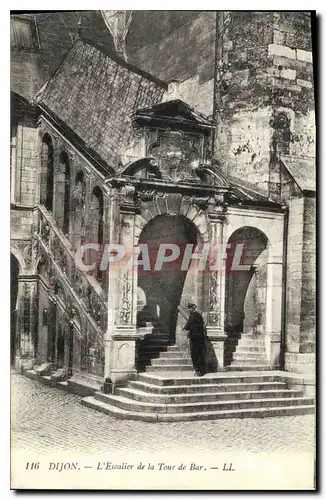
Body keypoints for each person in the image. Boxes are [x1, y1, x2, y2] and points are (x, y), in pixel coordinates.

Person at [183, 303, 206, 376]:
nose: (189, 309)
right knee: (194, 354)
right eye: (188, 308)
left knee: (197, 354)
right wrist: (185, 328)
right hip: (194, 338)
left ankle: (198, 370)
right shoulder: (192, 316)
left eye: (190, 308)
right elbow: (189, 324)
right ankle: (197, 369)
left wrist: (187, 328)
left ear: (193, 308)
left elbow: (193, 325)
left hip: (197, 338)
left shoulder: (197, 315)